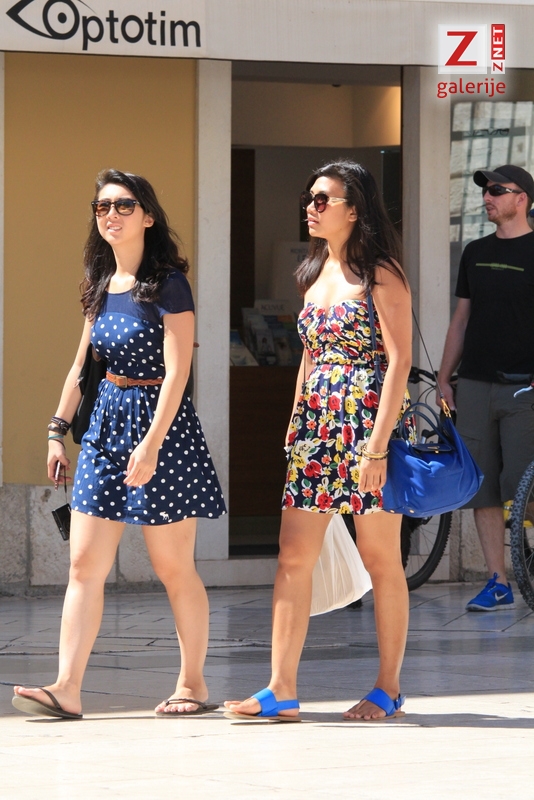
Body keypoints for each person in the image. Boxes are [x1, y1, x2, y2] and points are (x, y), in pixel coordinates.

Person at [12, 169, 226, 719]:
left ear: (148, 216)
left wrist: (151, 443)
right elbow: (80, 368)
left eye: (124, 205)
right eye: (103, 206)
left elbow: (178, 373)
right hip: (105, 428)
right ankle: (67, 688)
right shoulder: (101, 284)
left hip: (162, 430)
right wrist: (57, 432)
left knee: (173, 565)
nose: (111, 214)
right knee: (83, 564)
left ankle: (193, 683)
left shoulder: (169, 284)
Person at [225, 160, 412, 721]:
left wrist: (377, 446)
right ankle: (280, 689)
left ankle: (388, 688)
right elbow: (309, 354)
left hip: (366, 425)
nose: (311, 207)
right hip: (315, 430)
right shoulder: (311, 274)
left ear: (355, 209)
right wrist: (294, 421)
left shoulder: (381, 273)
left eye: (323, 199)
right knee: (292, 555)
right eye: (309, 198)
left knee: (381, 558)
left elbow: (399, 361)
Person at [437, 165, 534, 612]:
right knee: (483, 487)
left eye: (497, 190)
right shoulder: (474, 252)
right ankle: (498, 580)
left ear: (522, 199)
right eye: (485, 190)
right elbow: (461, 319)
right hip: (475, 385)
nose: (487, 197)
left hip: (523, 389)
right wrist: (445, 377)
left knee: (522, 484)